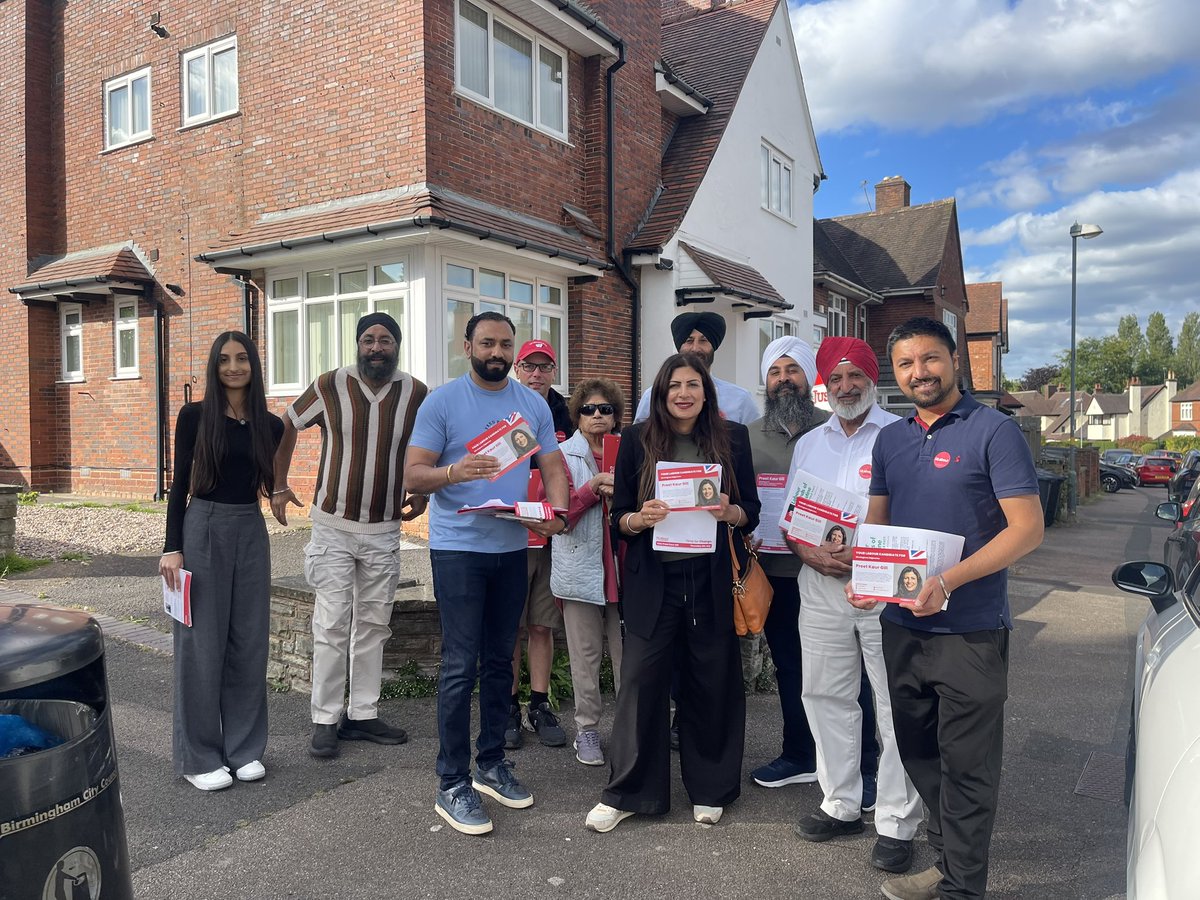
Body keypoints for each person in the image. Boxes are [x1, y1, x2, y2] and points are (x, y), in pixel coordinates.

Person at [849, 317, 1044, 900]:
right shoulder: (891, 439)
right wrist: (866, 573)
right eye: (906, 364)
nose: (919, 373)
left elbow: (1027, 530)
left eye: (929, 359)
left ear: (955, 361)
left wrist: (948, 581)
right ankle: (949, 859)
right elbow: (877, 524)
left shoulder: (994, 431)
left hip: (970, 628)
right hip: (902, 624)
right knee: (917, 750)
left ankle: (962, 886)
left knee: (968, 764)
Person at [404, 312, 570, 836]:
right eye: (487, 343)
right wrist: (454, 471)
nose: (496, 352)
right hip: (458, 549)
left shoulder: (532, 404)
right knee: (460, 663)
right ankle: (451, 782)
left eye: (505, 344)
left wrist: (559, 513)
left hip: (511, 545)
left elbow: (552, 467)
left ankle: (491, 763)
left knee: (501, 659)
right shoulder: (443, 401)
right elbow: (412, 473)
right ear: (468, 346)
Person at [585, 352, 760, 833]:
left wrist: (731, 512)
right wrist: (639, 518)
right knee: (640, 685)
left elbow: (753, 512)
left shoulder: (733, 439)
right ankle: (628, 791)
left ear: (707, 392)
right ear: (661, 394)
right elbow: (620, 518)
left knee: (712, 684)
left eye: (692, 384)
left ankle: (712, 788)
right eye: (673, 386)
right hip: (654, 581)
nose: (683, 393)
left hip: (711, 581)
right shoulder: (638, 441)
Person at [788, 336, 924, 876]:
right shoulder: (809, 442)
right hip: (819, 583)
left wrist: (869, 557)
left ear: (873, 379)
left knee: (893, 701)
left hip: (883, 583)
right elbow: (794, 516)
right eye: (835, 378)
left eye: (855, 377)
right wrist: (807, 551)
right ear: (824, 384)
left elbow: (917, 515)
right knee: (824, 692)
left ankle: (895, 821)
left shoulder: (902, 435)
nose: (845, 387)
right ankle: (841, 803)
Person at [271, 312, 428, 760]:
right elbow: (287, 424)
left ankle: (362, 715)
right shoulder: (329, 385)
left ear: (397, 345)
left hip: (384, 529)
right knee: (332, 622)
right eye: (368, 339)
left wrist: (422, 494)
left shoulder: (415, 393)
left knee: (374, 626)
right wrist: (279, 484)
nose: (376, 347)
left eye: (385, 340)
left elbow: (431, 444)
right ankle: (324, 719)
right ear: (357, 344)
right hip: (333, 528)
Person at [745, 337, 880, 803]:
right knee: (793, 668)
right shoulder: (747, 434)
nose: (784, 380)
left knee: (853, 674)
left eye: (793, 371)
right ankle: (800, 754)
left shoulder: (831, 426)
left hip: (847, 575)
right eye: (775, 372)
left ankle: (867, 765)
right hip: (776, 569)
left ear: (809, 380)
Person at [161, 331, 283, 791]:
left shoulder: (269, 426)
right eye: (224, 359)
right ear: (214, 366)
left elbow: (267, 481)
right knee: (200, 646)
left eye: (242, 359)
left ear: (254, 365)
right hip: (203, 526)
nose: (234, 367)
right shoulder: (194, 417)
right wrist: (172, 547)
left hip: (250, 529)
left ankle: (244, 749)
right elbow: (179, 487)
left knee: (249, 643)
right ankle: (199, 757)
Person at [550, 378, 626, 766]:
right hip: (580, 567)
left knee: (628, 655)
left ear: (615, 415)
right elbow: (558, 517)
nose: (597, 416)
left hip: (626, 569)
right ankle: (588, 730)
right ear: (577, 416)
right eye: (589, 409)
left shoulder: (630, 451)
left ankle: (630, 730)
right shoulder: (563, 455)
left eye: (605, 409)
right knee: (585, 656)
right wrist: (591, 489)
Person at [506, 339, 569, 750]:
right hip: (509, 533)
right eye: (529, 366)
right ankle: (508, 706)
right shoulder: (502, 408)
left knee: (542, 625)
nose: (537, 374)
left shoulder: (567, 414)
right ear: (517, 369)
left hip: (551, 536)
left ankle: (540, 704)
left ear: (553, 372)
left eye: (545, 367)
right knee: (509, 627)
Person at [633, 312, 759, 424]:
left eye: (703, 341)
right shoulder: (653, 395)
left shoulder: (740, 399)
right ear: (679, 346)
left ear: (714, 346)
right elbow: (640, 440)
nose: (695, 348)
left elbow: (755, 445)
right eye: (689, 340)